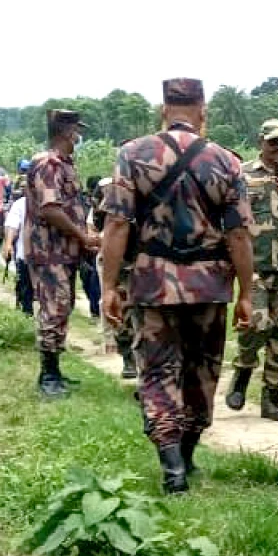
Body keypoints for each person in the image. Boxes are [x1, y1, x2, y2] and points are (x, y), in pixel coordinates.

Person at [99, 77, 254, 495]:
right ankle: (186, 456)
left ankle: (172, 472)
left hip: (154, 284)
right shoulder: (227, 162)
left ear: (164, 109)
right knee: (202, 371)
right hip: (209, 286)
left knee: (158, 372)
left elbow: (116, 223)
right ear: (202, 111)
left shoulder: (132, 154)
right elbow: (239, 235)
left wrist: (109, 286)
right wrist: (248, 294)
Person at [225, 119, 278, 421]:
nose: (277, 148)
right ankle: (243, 373)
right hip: (256, 265)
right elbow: (232, 218)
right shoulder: (243, 175)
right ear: (260, 142)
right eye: (272, 142)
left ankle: (272, 397)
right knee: (255, 324)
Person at [25, 110, 97, 398]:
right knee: (54, 308)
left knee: (63, 307)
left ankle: (55, 371)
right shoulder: (48, 164)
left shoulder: (65, 165)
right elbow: (50, 209)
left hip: (64, 252)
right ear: (67, 133)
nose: (79, 137)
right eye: (77, 131)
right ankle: (48, 376)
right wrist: (83, 237)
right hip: (48, 251)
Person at [89, 175, 137, 378]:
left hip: (148, 260)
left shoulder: (155, 184)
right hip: (120, 260)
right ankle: (128, 358)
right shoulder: (109, 188)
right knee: (121, 308)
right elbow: (97, 224)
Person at [1, 183, 34, 315]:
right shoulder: (20, 204)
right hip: (25, 253)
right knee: (25, 286)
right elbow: (12, 226)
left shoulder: (51, 203)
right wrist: (8, 244)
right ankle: (27, 313)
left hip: (48, 256)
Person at [76, 176, 103, 320]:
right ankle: (95, 311)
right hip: (89, 248)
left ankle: (97, 311)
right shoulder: (82, 203)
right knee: (90, 279)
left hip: (98, 248)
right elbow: (88, 227)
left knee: (95, 281)